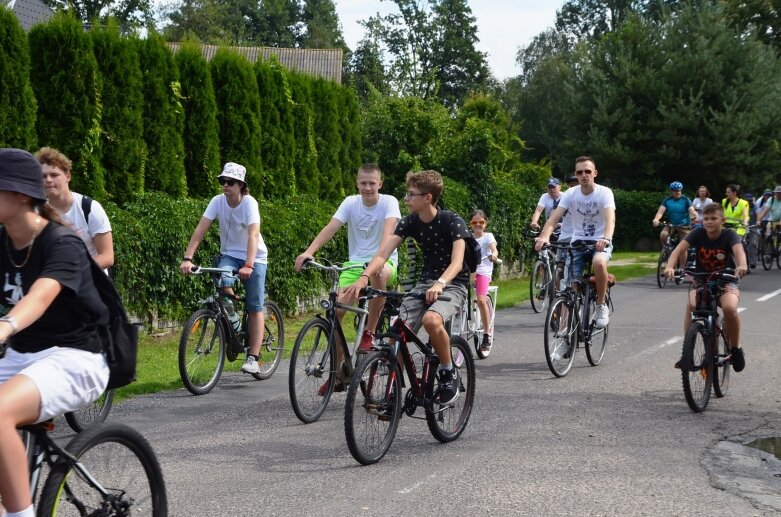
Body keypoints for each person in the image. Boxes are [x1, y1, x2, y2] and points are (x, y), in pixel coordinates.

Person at [0, 148, 110, 517]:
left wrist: (5, 325)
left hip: (75, 357)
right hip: (22, 356)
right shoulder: (2, 242)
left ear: (19, 194)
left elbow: (39, 297)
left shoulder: (63, 243)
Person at [345, 170, 470, 405]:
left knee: (431, 321)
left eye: (411, 194)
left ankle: (447, 371)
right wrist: (364, 276)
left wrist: (441, 283)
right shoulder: (410, 222)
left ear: (428, 198)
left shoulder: (452, 221)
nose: (406, 199)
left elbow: (457, 262)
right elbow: (383, 253)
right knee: (397, 331)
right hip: (425, 283)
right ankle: (392, 392)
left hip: (453, 283)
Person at [294, 164, 401, 392]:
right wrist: (309, 251)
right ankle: (339, 371)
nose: (368, 187)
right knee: (335, 312)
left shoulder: (389, 202)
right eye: (363, 183)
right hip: (354, 265)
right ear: (357, 183)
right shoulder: (350, 202)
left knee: (379, 274)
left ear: (380, 184)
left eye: (372, 183)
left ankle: (369, 333)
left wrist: (372, 267)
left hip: (384, 260)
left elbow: (387, 236)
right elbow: (331, 227)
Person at [180, 163, 268, 375]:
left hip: (255, 257)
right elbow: (201, 229)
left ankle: (253, 357)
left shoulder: (249, 203)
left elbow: (253, 235)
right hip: (229, 255)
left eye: (230, 182)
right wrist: (187, 258)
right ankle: (235, 324)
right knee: (223, 284)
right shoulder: (217, 202)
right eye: (222, 181)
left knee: (255, 306)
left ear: (241, 185)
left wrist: (248, 264)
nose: (225, 186)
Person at [664, 203, 747, 372]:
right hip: (702, 280)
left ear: (722, 220)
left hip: (726, 280)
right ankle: (687, 351)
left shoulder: (729, 235)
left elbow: (739, 252)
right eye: (706, 219)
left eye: (714, 219)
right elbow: (678, 250)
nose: (709, 222)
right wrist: (669, 267)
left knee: (730, 309)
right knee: (692, 305)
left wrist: (742, 265)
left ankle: (736, 349)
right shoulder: (697, 233)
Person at [535, 156, 615, 329]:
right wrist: (544, 237)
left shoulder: (604, 193)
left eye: (587, 171)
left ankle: (601, 305)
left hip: (600, 242)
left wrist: (606, 238)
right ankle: (565, 336)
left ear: (595, 173)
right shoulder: (571, 194)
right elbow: (554, 219)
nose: (584, 175)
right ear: (576, 175)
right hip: (577, 242)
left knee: (599, 261)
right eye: (580, 172)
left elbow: (611, 220)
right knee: (570, 291)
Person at [36, 147, 114, 271]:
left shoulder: (89, 208)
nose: (48, 180)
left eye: (54, 175)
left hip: (92, 282)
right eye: (43, 176)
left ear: (68, 176)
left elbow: (107, 256)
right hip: (55, 283)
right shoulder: (37, 212)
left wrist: (72, 271)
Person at [468, 210, 499, 352]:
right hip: (469, 272)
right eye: (475, 222)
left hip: (483, 272)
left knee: (481, 300)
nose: (478, 225)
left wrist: (493, 255)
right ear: (470, 224)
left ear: (486, 223)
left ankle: (487, 333)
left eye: (481, 222)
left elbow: (494, 249)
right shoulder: (467, 237)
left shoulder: (488, 236)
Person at [652, 181, 696, 268]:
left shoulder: (685, 199)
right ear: (672, 191)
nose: (678, 192)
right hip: (671, 225)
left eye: (679, 190)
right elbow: (660, 212)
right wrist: (656, 219)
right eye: (675, 191)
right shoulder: (667, 201)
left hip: (684, 225)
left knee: (683, 246)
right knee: (663, 235)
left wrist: (694, 215)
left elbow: (691, 210)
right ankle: (668, 252)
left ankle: (682, 268)